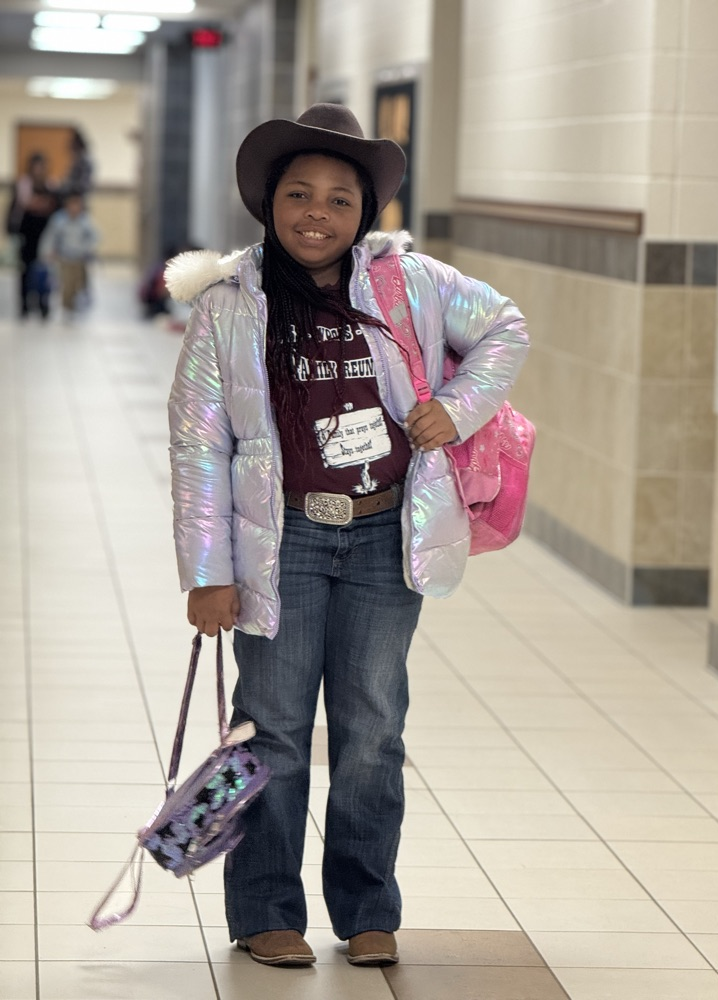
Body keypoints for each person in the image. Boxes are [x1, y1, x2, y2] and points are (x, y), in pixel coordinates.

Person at [165, 104, 529, 969]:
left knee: (372, 730)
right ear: (269, 202)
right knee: (275, 728)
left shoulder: (413, 284)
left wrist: (459, 407)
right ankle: (265, 912)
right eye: (298, 194)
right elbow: (196, 443)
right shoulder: (229, 305)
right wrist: (207, 569)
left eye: (337, 198)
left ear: (364, 211)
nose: (316, 215)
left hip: (382, 538)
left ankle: (369, 909)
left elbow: (505, 328)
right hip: (279, 541)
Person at [12, 153, 58, 319]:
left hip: (44, 234)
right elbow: (20, 205)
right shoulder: (23, 184)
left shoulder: (50, 184)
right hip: (27, 232)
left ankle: (43, 304)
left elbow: (53, 206)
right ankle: (24, 305)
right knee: (25, 270)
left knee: (45, 271)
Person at [40, 192, 99, 313]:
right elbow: (50, 237)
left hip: (79, 258)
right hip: (64, 258)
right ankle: (67, 307)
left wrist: (87, 248)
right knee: (66, 284)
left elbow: (95, 236)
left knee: (78, 284)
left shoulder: (85, 221)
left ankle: (76, 306)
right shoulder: (59, 220)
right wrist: (47, 251)